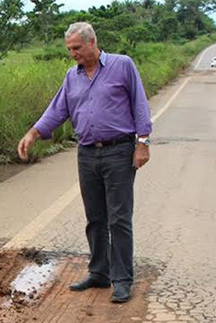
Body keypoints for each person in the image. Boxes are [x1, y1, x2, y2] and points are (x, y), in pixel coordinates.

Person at [17, 22, 152, 304]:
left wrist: (143, 142)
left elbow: (140, 103)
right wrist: (33, 133)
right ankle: (99, 273)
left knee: (119, 219)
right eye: (69, 49)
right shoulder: (72, 77)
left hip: (119, 151)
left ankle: (122, 279)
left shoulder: (122, 65)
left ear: (92, 43)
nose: (73, 54)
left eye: (77, 48)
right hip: (88, 153)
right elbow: (57, 111)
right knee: (95, 218)